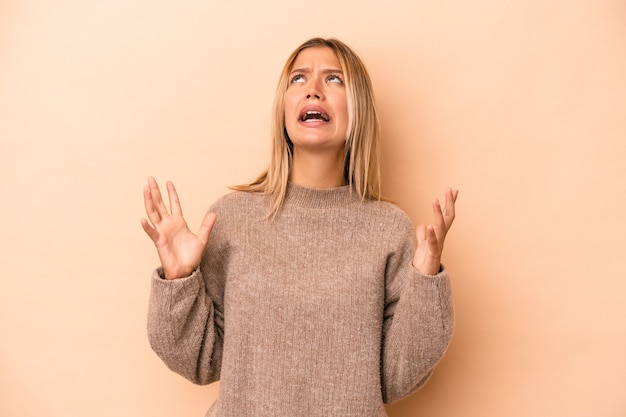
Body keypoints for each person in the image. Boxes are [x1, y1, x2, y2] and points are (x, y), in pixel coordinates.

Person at [141, 37, 458, 417]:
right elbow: (200, 361)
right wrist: (179, 281)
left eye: (334, 80)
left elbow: (394, 378)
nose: (313, 91)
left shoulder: (388, 229)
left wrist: (425, 280)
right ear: (284, 108)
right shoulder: (231, 220)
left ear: (357, 109)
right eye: (299, 79)